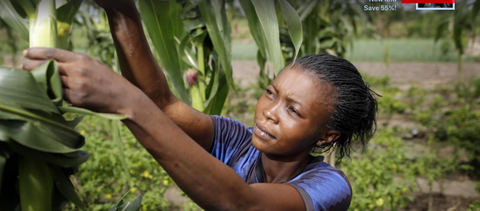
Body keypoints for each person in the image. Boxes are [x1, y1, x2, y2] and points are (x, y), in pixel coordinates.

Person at [21, 0, 378, 210]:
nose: (270, 112)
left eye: (293, 110)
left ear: (328, 136)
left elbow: (240, 204)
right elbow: (161, 104)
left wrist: (124, 100)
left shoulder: (328, 187)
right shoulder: (237, 141)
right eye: (271, 93)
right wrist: (122, 11)